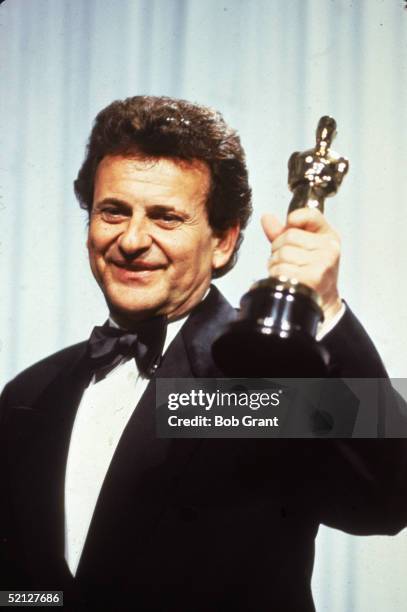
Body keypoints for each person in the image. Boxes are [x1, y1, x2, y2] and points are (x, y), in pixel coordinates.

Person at [0, 96, 406, 612]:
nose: (131, 239)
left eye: (166, 217)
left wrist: (324, 306)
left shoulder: (262, 376)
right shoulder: (30, 391)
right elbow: (19, 588)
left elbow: (390, 498)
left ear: (223, 241)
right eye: (113, 212)